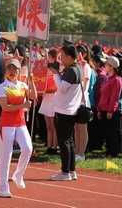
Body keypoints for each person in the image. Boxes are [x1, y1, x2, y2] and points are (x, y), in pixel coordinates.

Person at [0, 58, 37, 198]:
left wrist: (31, 81)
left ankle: (18, 175)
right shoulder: (2, 87)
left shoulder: (22, 85)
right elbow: (5, 107)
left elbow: (34, 96)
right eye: (9, 69)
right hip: (6, 125)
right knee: (6, 156)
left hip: (20, 124)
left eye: (15, 69)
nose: (12, 71)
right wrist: (23, 106)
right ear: (6, 71)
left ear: (19, 71)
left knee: (28, 148)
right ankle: (3, 187)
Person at [51, 44, 83, 181]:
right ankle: (71, 170)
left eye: (63, 56)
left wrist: (55, 75)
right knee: (69, 141)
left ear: (70, 57)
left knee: (64, 142)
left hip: (64, 110)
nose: (61, 58)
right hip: (70, 109)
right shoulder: (77, 69)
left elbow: (62, 88)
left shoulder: (71, 71)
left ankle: (65, 172)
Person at [97, 56, 122, 157]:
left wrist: (111, 110)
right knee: (107, 131)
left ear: (112, 66)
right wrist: (99, 109)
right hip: (104, 108)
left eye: (107, 64)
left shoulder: (117, 79)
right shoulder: (108, 78)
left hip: (110, 110)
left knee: (113, 132)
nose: (105, 66)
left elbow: (114, 97)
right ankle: (108, 150)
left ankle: (114, 151)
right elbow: (103, 95)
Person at [39, 49, 59, 155]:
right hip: (46, 98)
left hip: (54, 98)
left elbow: (58, 85)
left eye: (49, 56)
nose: (47, 58)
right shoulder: (45, 68)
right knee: (48, 126)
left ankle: (54, 146)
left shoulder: (57, 68)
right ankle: (49, 145)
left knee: (54, 125)